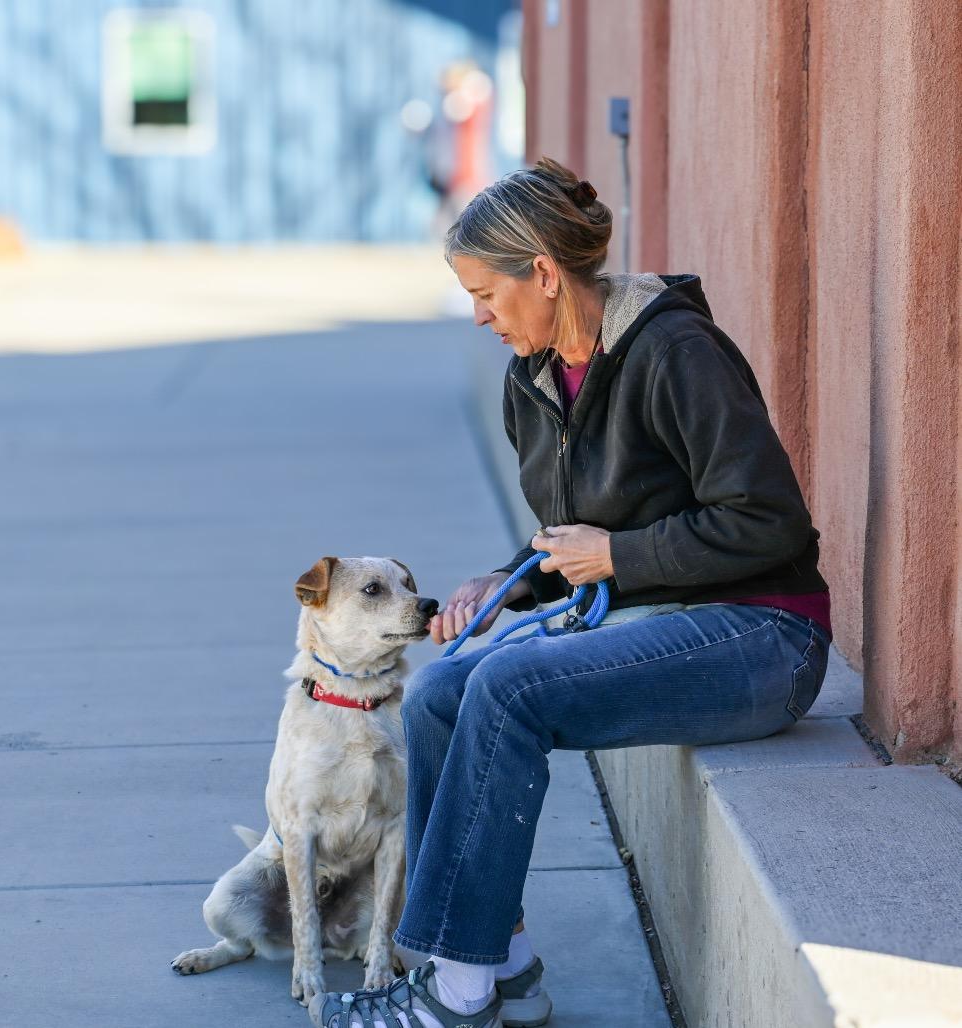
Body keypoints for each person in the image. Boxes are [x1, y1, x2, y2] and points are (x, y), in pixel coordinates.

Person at [308, 157, 832, 1028]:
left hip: (763, 636)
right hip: (664, 616)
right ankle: (502, 964)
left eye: (488, 293)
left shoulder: (674, 353)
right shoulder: (536, 375)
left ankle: (454, 995)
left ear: (544, 275)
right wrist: (502, 581)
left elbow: (770, 523)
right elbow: (575, 533)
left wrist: (618, 556)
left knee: (510, 690)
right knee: (440, 690)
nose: (478, 315)